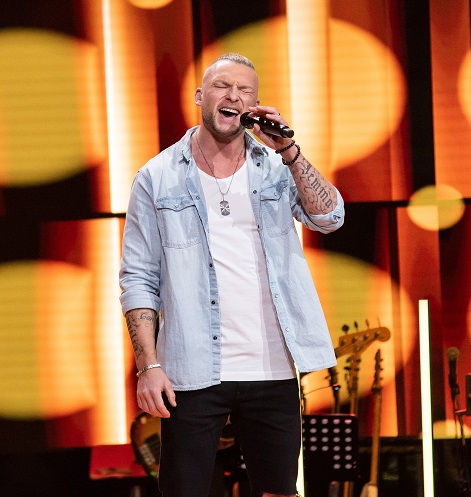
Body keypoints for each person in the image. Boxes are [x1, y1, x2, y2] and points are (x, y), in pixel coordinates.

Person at [119, 53, 345, 497]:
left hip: (272, 367)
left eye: (245, 91)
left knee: (279, 491)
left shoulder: (277, 167)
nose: (234, 96)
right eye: (223, 86)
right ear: (200, 96)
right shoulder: (157, 176)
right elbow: (138, 278)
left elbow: (330, 217)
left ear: (255, 105)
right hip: (191, 370)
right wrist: (149, 366)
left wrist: (289, 151)